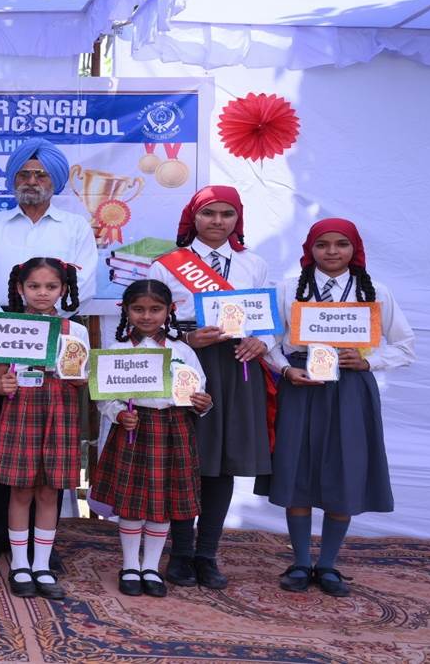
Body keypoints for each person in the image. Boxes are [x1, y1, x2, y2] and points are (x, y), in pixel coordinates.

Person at [0, 138, 99, 566]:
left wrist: (45, 322)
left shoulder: (74, 227)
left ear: (54, 181)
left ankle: (41, 543)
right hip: (0, 336)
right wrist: (11, 323)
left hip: (57, 338)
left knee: (47, 449)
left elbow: (84, 284)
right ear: (13, 179)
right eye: (24, 173)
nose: (32, 180)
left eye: (40, 174)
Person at [261, 219, 415, 597]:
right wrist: (286, 370)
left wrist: (368, 361)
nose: (332, 251)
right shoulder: (287, 289)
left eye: (341, 244)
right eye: (323, 244)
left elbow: (404, 345)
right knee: (298, 470)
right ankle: (301, 562)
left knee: (345, 470)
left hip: (350, 389)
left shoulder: (374, 291)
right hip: (302, 386)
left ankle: (328, 564)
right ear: (309, 249)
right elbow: (267, 341)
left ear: (354, 248)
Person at [146, 185, 273, 589]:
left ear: (238, 218)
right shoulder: (167, 265)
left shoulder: (254, 264)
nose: (217, 221)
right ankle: (181, 553)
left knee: (223, 462)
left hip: (237, 367)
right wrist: (185, 339)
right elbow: (151, 322)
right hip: (188, 362)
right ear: (193, 217)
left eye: (226, 214)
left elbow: (268, 321)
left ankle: (207, 554)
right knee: (189, 459)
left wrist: (262, 342)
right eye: (208, 213)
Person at [90, 280, 212, 598]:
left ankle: (151, 567)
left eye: (155, 309)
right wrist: (118, 413)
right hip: (133, 429)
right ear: (126, 310)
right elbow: (103, 397)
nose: (146, 316)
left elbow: (198, 388)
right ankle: (130, 565)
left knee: (161, 503)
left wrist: (203, 403)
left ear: (169, 310)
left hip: (173, 429)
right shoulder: (117, 351)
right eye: (138, 309)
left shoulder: (182, 350)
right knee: (132, 503)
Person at [0, 258, 88, 600]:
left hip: (60, 410)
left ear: (63, 290)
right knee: (21, 490)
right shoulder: (8, 327)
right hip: (22, 408)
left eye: (51, 286)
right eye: (34, 286)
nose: (42, 293)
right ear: (20, 288)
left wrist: (78, 376)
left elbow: (83, 378)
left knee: (49, 491)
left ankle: (42, 565)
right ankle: (19, 564)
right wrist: (2, 385)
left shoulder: (76, 331)